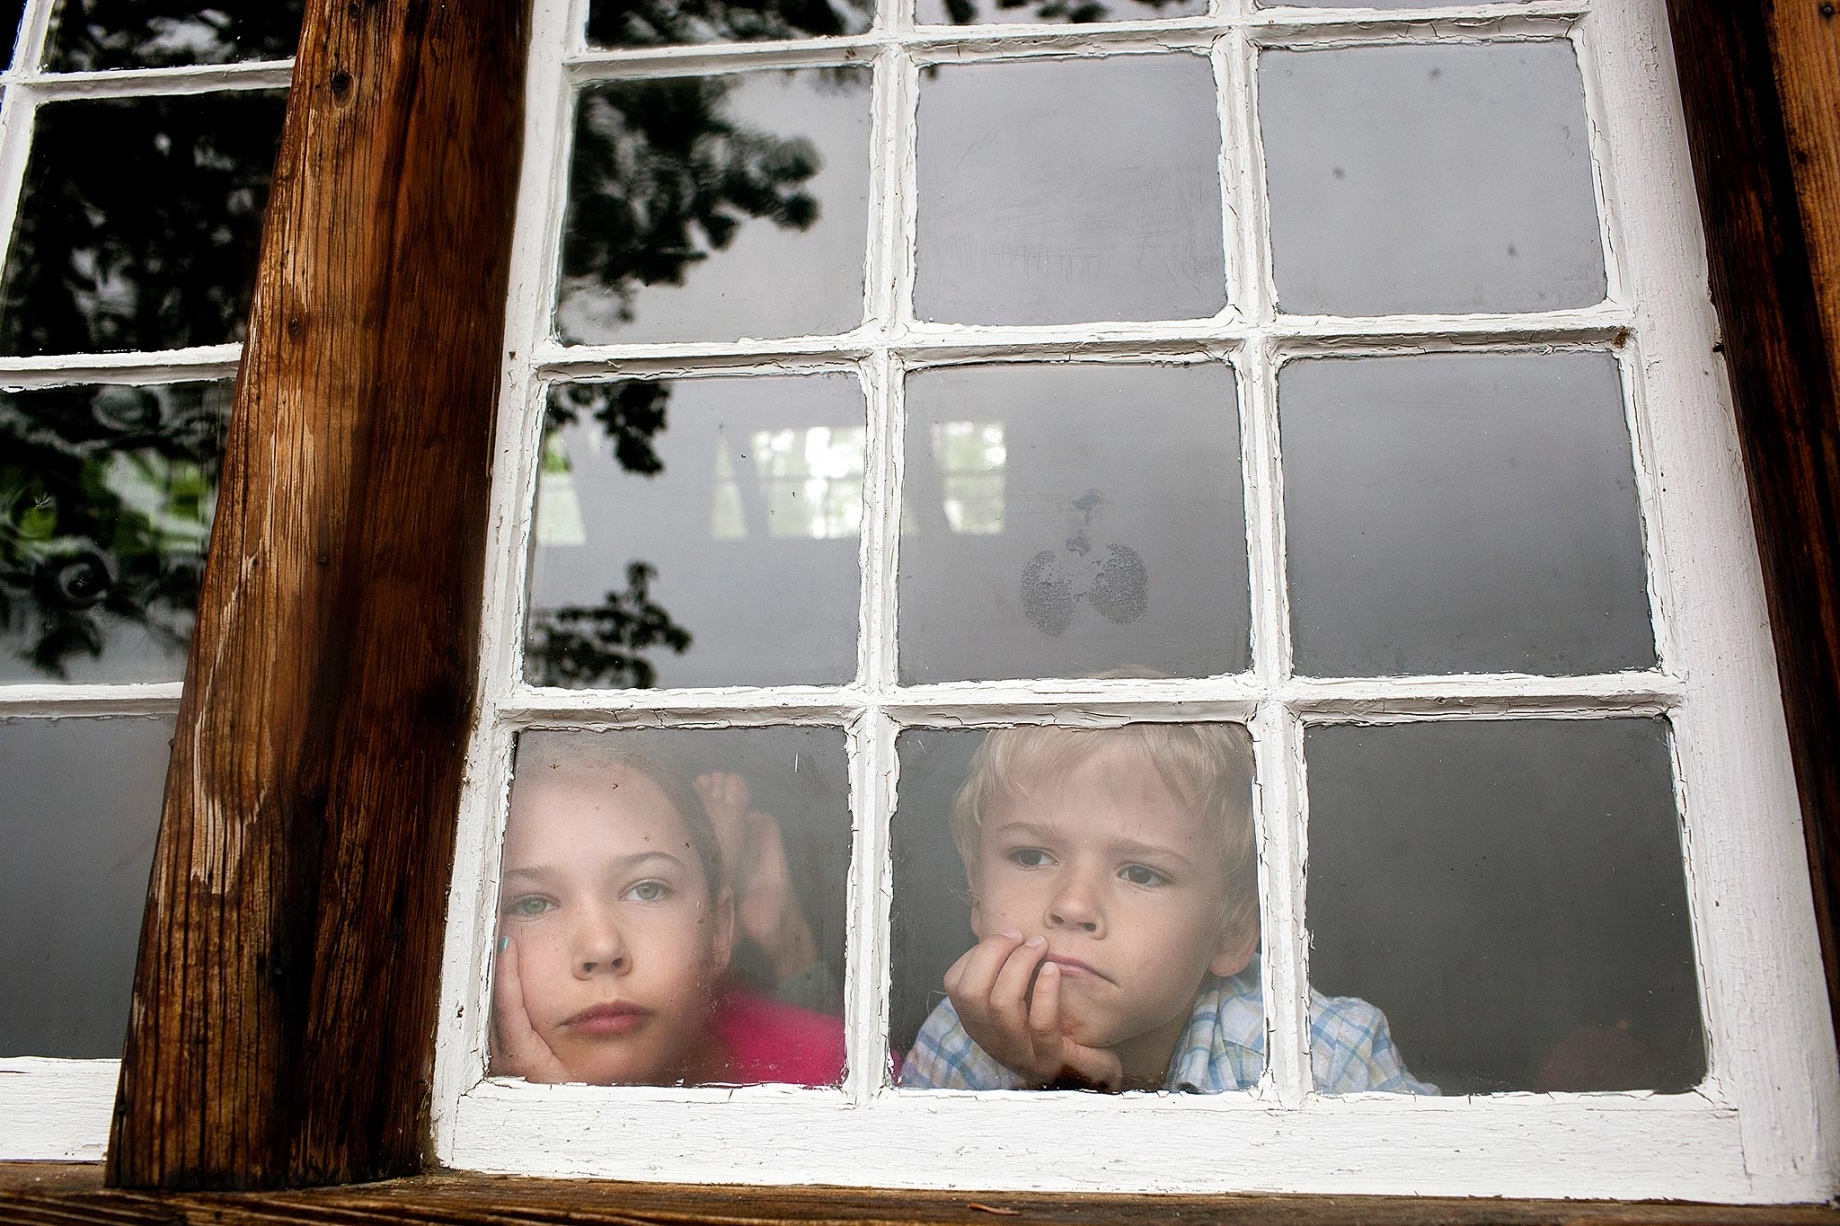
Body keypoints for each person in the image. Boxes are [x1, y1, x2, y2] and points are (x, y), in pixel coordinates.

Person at [899, 722, 1436, 1094]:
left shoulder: (1321, 1052)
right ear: (975, 891)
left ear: (1231, 931)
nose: (1072, 905)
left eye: (1142, 873)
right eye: (1031, 856)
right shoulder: (960, 1037)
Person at [490, 733, 845, 1087]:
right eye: (533, 904)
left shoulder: (840, 1075)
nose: (601, 948)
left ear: (720, 931)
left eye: (647, 890)